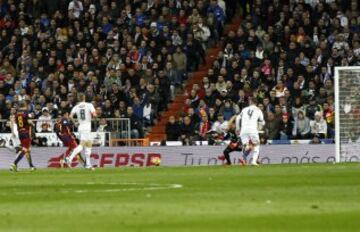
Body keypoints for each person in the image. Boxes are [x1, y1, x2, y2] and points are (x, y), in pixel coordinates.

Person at [65, 94, 96, 170]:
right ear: (84, 97)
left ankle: (88, 165)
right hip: (86, 126)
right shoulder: (89, 105)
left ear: (78, 99)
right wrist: (93, 118)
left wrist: (75, 123)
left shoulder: (76, 107)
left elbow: (70, 116)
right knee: (82, 144)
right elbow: (94, 115)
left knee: (88, 145)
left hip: (81, 126)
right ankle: (69, 158)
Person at [236, 97, 265, 166]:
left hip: (243, 130)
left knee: (246, 146)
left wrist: (237, 128)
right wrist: (259, 128)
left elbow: (237, 118)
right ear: (256, 103)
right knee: (256, 145)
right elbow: (262, 122)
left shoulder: (244, 109)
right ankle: (254, 161)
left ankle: (243, 159)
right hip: (253, 130)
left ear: (251, 102)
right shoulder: (258, 110)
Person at [10, 102, 36, 171]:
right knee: (25, 149)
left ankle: (31, 166)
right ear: (25, 106)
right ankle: (14, 164)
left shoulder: (16, 115)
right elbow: (29, 120)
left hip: (20, 133)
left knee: (27, 149)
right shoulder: (25, 113)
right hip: (26, 132)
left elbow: (15, 122)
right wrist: (32, 124)